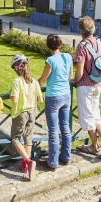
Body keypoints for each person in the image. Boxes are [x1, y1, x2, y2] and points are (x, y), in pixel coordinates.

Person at [72, 16, 101, 156]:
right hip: (98, 83)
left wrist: (73, 80)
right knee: (96, 115)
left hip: (86, 86)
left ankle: (94, 148)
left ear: (80, 30)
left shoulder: (82, 46)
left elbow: (80, 73)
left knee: (88, 118)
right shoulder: (100, 43)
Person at [37, 34, 73, 170]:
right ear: (61, 45)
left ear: (47, 46)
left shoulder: (50, 60)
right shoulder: (68, 56)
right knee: (65, 127)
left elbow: (42, 80)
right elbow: (70, 76)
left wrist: (35, 83)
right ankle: (66, 156)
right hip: (66, 95)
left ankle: (53, 162)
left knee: (53, 130)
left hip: (53, 97)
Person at [8, 54, 43, 180]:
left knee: (15, 138)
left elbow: (14, 99)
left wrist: (11, 93)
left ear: (17, 68)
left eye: (14, 68)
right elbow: (40, 99)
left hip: (20, 113)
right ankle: (26, 167)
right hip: (32, 112)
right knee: (28, 138)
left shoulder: (16, 82)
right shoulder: (34, 81)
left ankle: (28, 161)